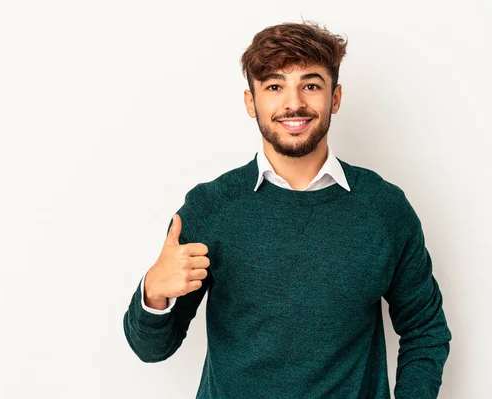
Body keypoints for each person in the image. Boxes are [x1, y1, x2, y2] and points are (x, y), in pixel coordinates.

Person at [122, 21, 452, 399]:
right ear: (251, 102)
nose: (294, 103)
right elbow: (151, 349)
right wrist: (154, 292)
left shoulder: (383, 208)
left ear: (336, 97)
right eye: (274, 87)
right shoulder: (210, 208)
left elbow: (425, 330)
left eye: (310, 85)